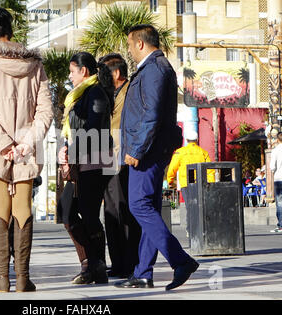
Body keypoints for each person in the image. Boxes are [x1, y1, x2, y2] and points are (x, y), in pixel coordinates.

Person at [0, 6, 53, 292]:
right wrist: (25, 143)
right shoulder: (34, 65)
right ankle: (23, 279)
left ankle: (2, 278)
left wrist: (5, 145)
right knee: (23, 210)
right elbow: (45, 112)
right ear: (12, 33)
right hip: (26, 150)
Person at [115, 24, 199, 291]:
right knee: (148, 207)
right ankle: (142, 272)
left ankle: (180, 261)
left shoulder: (154, 69)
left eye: (129, 45)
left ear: (140, 44)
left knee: (139, 205)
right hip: (152, 149)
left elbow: (150, 115)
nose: (129, 51)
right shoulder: (156, 68)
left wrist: (136, 150)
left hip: (147, 152)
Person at [58, 51, 114, 285]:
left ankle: (97, 266)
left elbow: (94, 127)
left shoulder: (96, 92)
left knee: (89, 214)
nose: (70, 76)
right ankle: (89, 263)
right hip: (79, 158)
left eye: (72, 71)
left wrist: (73, 149)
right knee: (67, 212)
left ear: (84, 71)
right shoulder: (77, 96)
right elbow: (72, 128)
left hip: (96, 160)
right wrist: (65, 148)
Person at [98, 53, 141, 278]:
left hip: (122, 159)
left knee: (122, 210)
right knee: (110, 211)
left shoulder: (129, 91)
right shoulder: (108, 93)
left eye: (104, 72)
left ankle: (128, 262)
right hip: (108, 158)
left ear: (116, 73)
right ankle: (118, 262)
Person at [166, 130, 214, 236]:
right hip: (201, 183)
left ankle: (190, 229)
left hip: (186, 183)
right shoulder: (203, 152)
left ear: (186, 140)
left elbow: (172, 168)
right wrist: (210, 183)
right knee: (200, 206)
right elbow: (210, 170)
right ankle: (201, 228)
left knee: (189, 206)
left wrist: (170, 181)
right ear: (197, 140)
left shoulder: (180, 152)